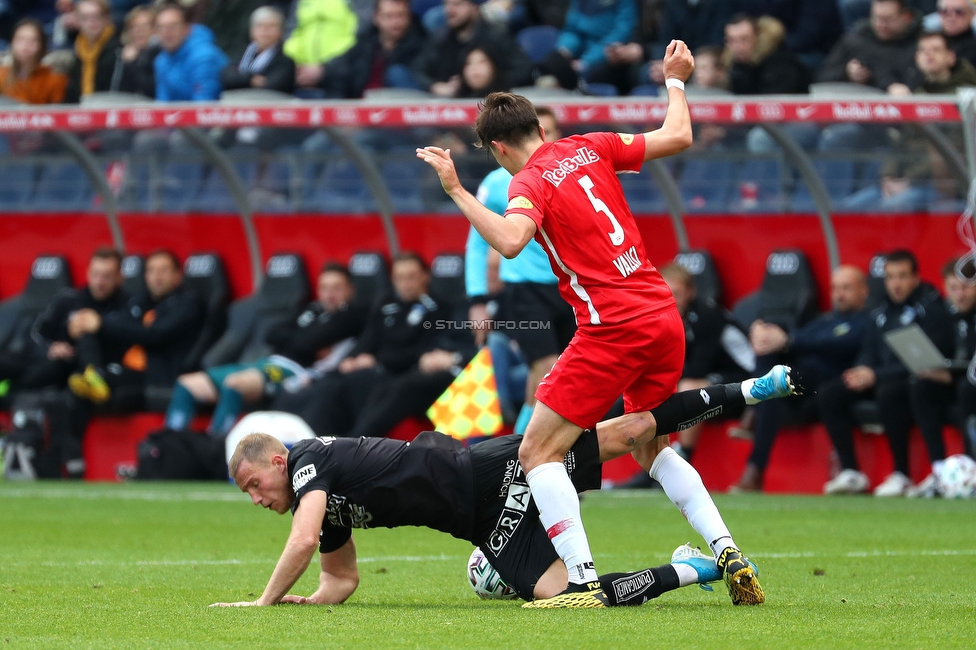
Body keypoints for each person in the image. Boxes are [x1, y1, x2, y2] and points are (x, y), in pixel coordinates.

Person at [418, 43, 771, 608]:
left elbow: (510, 242)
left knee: (537, 452)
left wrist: (457, 190)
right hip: (661, 314)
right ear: (539, 124)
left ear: (501, 146)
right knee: (651, 445)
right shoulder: (591, 145)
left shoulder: (527, 180)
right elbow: (677, 136)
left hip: (613, 327)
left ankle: (580, 582)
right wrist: (676, 81)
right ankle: (727, 550)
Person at [210, 365, 799, 607]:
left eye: (253, 485)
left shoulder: (312, 458)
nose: (257, 499)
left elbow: (304, 542)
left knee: (628, 432)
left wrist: (261, 605)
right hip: (482, 523)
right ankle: (700, 569)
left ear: (279, 461)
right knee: (568, 598)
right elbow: (341, 577)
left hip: (489, 468)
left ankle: (746, 391)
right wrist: (307, 602)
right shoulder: (321, 502)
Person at [273, 253, 473, 440]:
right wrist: (352, 359)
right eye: (399, 277)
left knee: (349, 386)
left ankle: (347, 444)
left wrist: (376, 361)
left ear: (425, 277)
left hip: (396, 373)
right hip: (369, 369)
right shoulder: (385, 306)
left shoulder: (438, 309)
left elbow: (424, 352)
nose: (405, 283)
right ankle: (291, 439)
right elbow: (367, 340)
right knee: (324, 383)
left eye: (411, 276)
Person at [164, 263, 366, 438]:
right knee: (186, 384)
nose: (329, 294)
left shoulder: (350, 316)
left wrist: (301, 339)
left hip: (295, 372)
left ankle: (215, 444)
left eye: (337, 288)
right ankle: (170, 443)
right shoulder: (310, 310)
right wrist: (305, 339)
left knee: (235, 383)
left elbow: (302, 342)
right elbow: (273, 334)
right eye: (324, 288)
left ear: (350, 290)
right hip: (267, 362)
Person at [465, 107, 572, 436]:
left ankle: (545, 456)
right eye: (543, 131)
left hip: (571, 288)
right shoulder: (498, 182)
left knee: (565, 375)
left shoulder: (569, 172)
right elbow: (478, 243)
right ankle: (523, 453)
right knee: (545, 368)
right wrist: (478, 298)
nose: (546, 138)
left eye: (552, 131)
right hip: (524, 289)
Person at [820, 250, 953, 496]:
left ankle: (901, 473)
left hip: (912, 379)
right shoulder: (880, 310)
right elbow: (868, 348)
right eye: (891, 277)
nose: (896, 283)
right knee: (831, 393)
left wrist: (875, 375)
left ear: (915, 277)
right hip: (879, 375)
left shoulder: (930, 306)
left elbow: (925, 359)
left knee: (888, 393)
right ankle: (851, 472)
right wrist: (861, 370)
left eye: (902, 276)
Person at [732, 265, 870, 493]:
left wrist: (787, 340)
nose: (840, 294)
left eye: (847, 288)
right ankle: (754, 467)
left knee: (775, 378)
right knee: (769, 357)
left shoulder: (865, 322)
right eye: (835, 288)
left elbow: (837, 345)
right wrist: (766, 331)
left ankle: (754, 453)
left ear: (864, 291)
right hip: (798, 386)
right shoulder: (825, 321)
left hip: (827, 383)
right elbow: (801, 337)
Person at [66, 249, 204, 406]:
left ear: (177, 276)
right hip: (125, 366)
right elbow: (118, 322)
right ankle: (93, 374)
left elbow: (154, 334)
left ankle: (95, 377)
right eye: (151, 271)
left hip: (154, 375)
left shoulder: (187, 304)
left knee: (84, 390)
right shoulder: (141, 301)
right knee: (83, 351)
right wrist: (83, 324)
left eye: (163, 271)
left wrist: (100, 323)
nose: (157, 277)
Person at [659, 263, 754, 464]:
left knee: (689, 387)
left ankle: (684, 457)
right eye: (665, 292)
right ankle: (653, 461)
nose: (671, 299)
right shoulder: (667, 316)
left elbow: (697, 369)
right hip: (714, 380)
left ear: (691, 292)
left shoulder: (706, 316)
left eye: (677, 293)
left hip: (746, 379)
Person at [905, 258, 976, 495]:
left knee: (968, 387)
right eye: (954, 288)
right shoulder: (943, 318)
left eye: (965, 287)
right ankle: (938, 468)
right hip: (955, 383)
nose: (960, 294)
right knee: (921, 386)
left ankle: (970, 467)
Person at [409, 0, 534, 97]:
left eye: (457, 4)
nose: (449, 10)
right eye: (446, 4)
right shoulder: (441, 38)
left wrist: (494, 81)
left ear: (474, 7)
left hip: (493, 102)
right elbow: (418, 68)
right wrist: (435, 86)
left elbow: (524, 69)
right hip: (452, 106)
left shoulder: (496, 35)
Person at [318, 0, 424, 99]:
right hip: (361, 109)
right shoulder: (364, 44)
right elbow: (340, 73)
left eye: (400, 15)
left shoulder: (421, 44)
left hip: (397, 109)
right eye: (389, 16)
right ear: (375, 17)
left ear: (409, 16)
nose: (395, 22)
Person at [817, 0, 922, 92]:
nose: (881, 25)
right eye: (876, 17)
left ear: (906, 17)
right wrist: (846, 73)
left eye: (887, 19)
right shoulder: (855, 41)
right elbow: (822, 78)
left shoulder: (920, 44)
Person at [153, 2, 228, 102]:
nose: (167, 33)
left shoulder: (204, 56)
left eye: (173, 26)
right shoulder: (161, 61)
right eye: (161, 27)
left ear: (186, 29)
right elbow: (163, 104)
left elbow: (203, 105)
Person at [724, 14, 811, 95]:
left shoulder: (781, 64)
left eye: (744, 39)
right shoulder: (734, 67)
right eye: (731, 40)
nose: (737, 46)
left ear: (757, 37)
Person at [220, 6, 295, 95]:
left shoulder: (285, 61)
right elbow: (226, 78)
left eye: (272, 26)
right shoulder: (241, 54)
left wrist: (240, 79)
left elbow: (272, 86)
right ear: (252, 31)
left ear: (281, 31)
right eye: (260, 25)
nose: (265, 30)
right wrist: (251, 79)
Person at [286, 0, 359, 89]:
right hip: (300, 73)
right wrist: (296, 64)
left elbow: (358, 34)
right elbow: (291, 32)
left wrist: (326, 69)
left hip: (339, 76)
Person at [63, 0, 121, 103]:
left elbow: (115, 91)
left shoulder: (118, 51)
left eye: (97, 16)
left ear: (107, 18)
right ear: (77, 21)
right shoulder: (78, 52)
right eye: (85, 18)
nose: (91, 22)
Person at [0, 18, 67, 105]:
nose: (25, 45)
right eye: (20, 39)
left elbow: (58, 112)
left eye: (33, 40)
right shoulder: (2, 75)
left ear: (42, 45)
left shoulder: (55, 78)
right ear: (12, 43)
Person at [903, 30, 976, 93]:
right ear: (916, 58)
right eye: (923, 50)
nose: (929, 54)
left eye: (936, 49)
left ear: (950, 57)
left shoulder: (969, 93)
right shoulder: (915, 93)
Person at [117, 5, 158, 98]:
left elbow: (150, 89)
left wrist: (131, 64)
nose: (139, 31)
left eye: (144, 26)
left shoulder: (160, 55)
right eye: (134, 27)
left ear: (155, 29)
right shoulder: (121, 53)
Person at [934, 0, 976, 67]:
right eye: (944, 11)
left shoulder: (973, 50)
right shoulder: (929, 42)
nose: (950, 17)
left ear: (972, 13)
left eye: (958, 12)